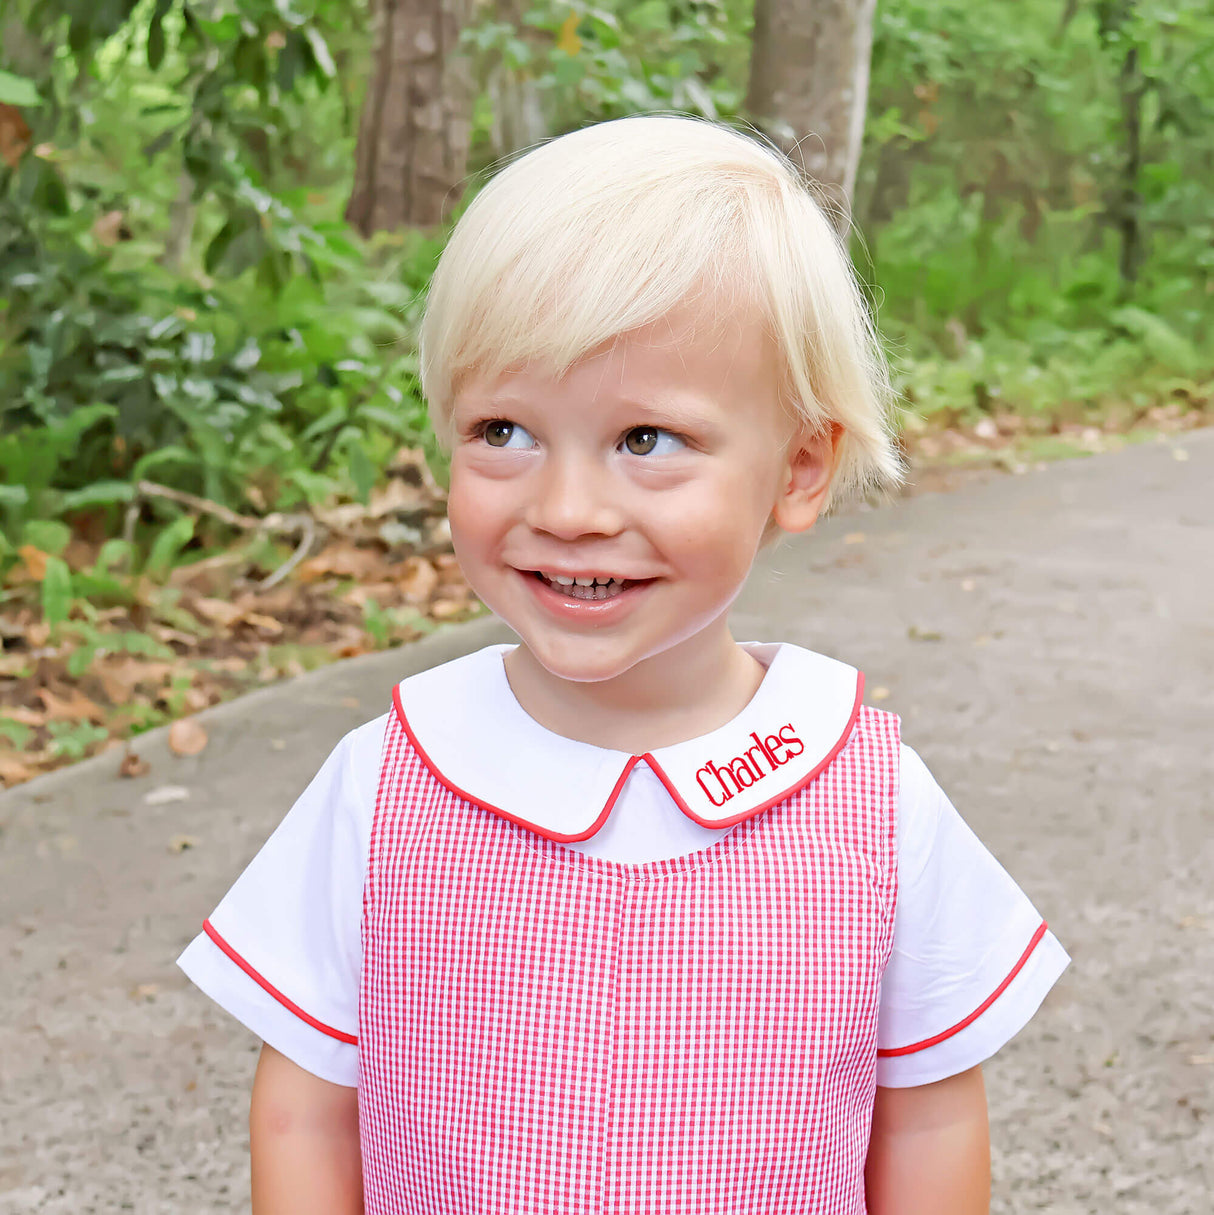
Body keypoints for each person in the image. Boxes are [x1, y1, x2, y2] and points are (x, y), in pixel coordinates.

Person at [177, 115, 1069, 1214]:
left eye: (645, 441)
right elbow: (306, 1102)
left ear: (796, 469)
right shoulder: (391, 779)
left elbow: (927, 1106)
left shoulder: (869, 801)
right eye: (503, 430)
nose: (566, 511)